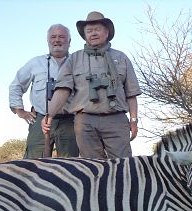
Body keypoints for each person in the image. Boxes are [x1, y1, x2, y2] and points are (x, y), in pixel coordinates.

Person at [42, 12, 141, 159]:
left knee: (123, 166)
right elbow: (62, 90)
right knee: (91, 169)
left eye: (97, 29)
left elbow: (131, 93)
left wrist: (133, 120)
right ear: (84, 35)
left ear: (106, 32)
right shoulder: (74, 59)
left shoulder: (121, 58)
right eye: (89, 31)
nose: (93, 33)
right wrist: (49, 115)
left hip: (116, 120)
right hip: (85, 122)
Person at [9, 24, 79, 158]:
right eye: (53, 37)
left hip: (69, 122)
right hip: (40, 118)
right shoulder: (35, 63)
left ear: (69, 41)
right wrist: (20, 111)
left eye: (62, 37)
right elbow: (16, 85)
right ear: (48, 41)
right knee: (33, 165)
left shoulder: (78, 63)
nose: (57, 40)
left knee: (70, 167)